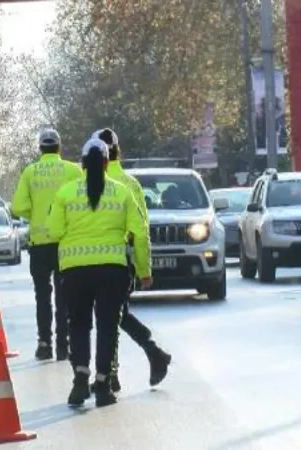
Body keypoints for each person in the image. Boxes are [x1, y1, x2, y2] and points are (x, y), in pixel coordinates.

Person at [46, 138, 152, 407]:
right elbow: (140, 233)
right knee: (107, 325)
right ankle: (103, 386)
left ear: (82, 164)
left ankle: (80, 379)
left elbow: (54, 231)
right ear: (107, 162)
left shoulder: (65, 194)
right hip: (112, 271)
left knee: (79, 324)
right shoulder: (122, 193)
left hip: (74, 272)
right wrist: (143, 270)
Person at [92, 128, 171, 392]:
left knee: (110, 317)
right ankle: (146, 357)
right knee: (115, 315)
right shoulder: (131, 183)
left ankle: (112, 372)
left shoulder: (87, 181)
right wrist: (143, 267)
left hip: (96, 260)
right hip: (121, 260)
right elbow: (142, 230)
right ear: (117, 150)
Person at [12, 129, 84, 361]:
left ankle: (44, 344)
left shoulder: (30, 172)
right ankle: (64, 346)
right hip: (66, 243)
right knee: (65, 296)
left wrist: (36, 215)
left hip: (40, 243)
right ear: (59, 147)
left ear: (40, 148)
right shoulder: (73, 171)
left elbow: (17, 207)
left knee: (42, 296)